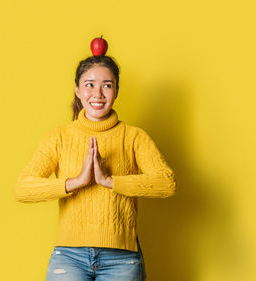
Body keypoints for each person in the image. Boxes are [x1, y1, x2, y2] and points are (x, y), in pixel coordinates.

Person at [15, 54, 177, 281]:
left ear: (117, 91)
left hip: (121, 258)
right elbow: (23, 188)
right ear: (77, 90)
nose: (98, 94)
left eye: (107, 85)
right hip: (69, 257)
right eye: (89, 85)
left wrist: (110, 181)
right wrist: (76, 182)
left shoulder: (133, 137)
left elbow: (167, 183)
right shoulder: (59, 137)